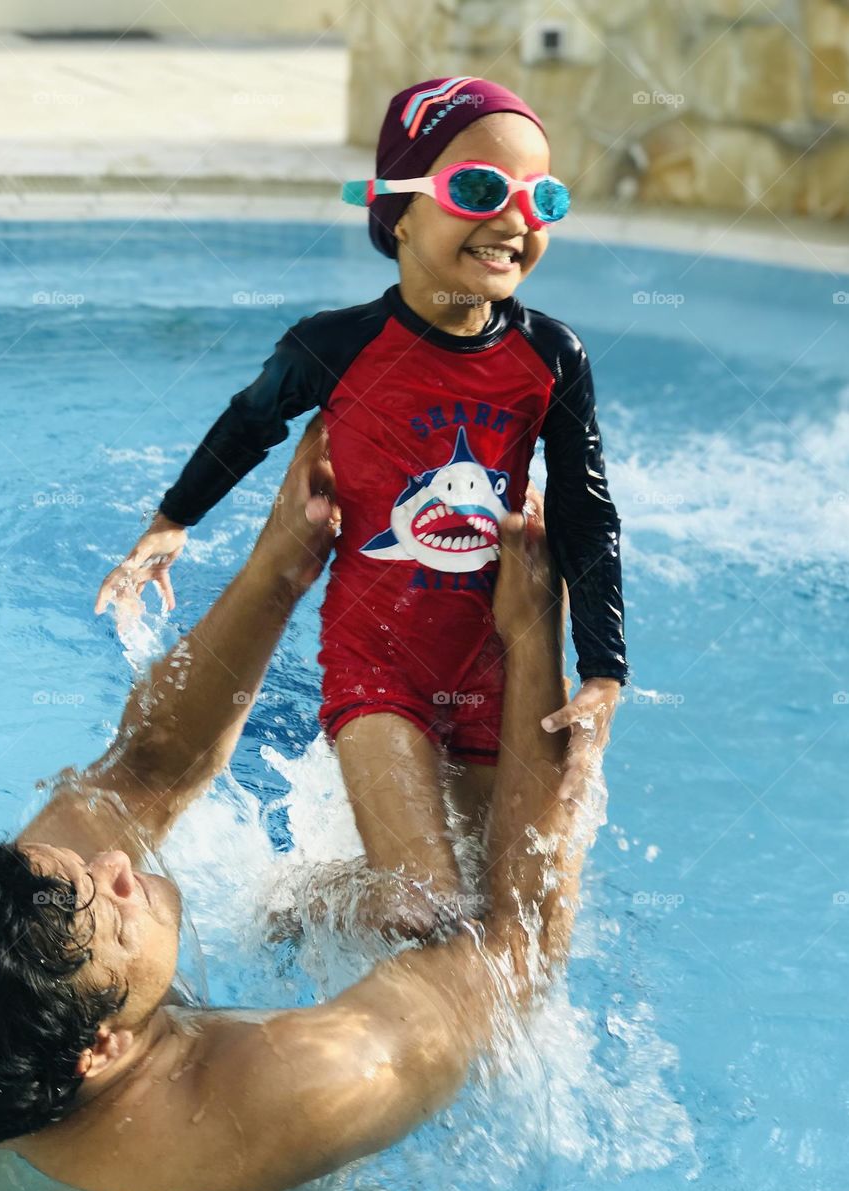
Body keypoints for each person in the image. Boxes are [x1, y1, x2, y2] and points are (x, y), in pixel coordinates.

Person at [0, 422, 581, 1191]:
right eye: (109, 908)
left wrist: (282, 561)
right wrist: (535, 640)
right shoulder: (299, 1091)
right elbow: (515, 953)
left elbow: (145, 769)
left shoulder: (2, 992)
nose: (111, 862)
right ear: (100, 1051)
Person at [93, 76, 626, 934]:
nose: (517, 219)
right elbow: (251, 422)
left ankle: (337, 895)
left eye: (543, 197)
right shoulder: (336, 344)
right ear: (398, 212)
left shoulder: (551, 355)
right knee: (426, 908)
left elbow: (587, 512)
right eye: (482, 189)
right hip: (379, 661)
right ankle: (295, 904)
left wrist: (604, 668)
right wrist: (172, 522)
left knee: (518, 919)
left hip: (498, 659)